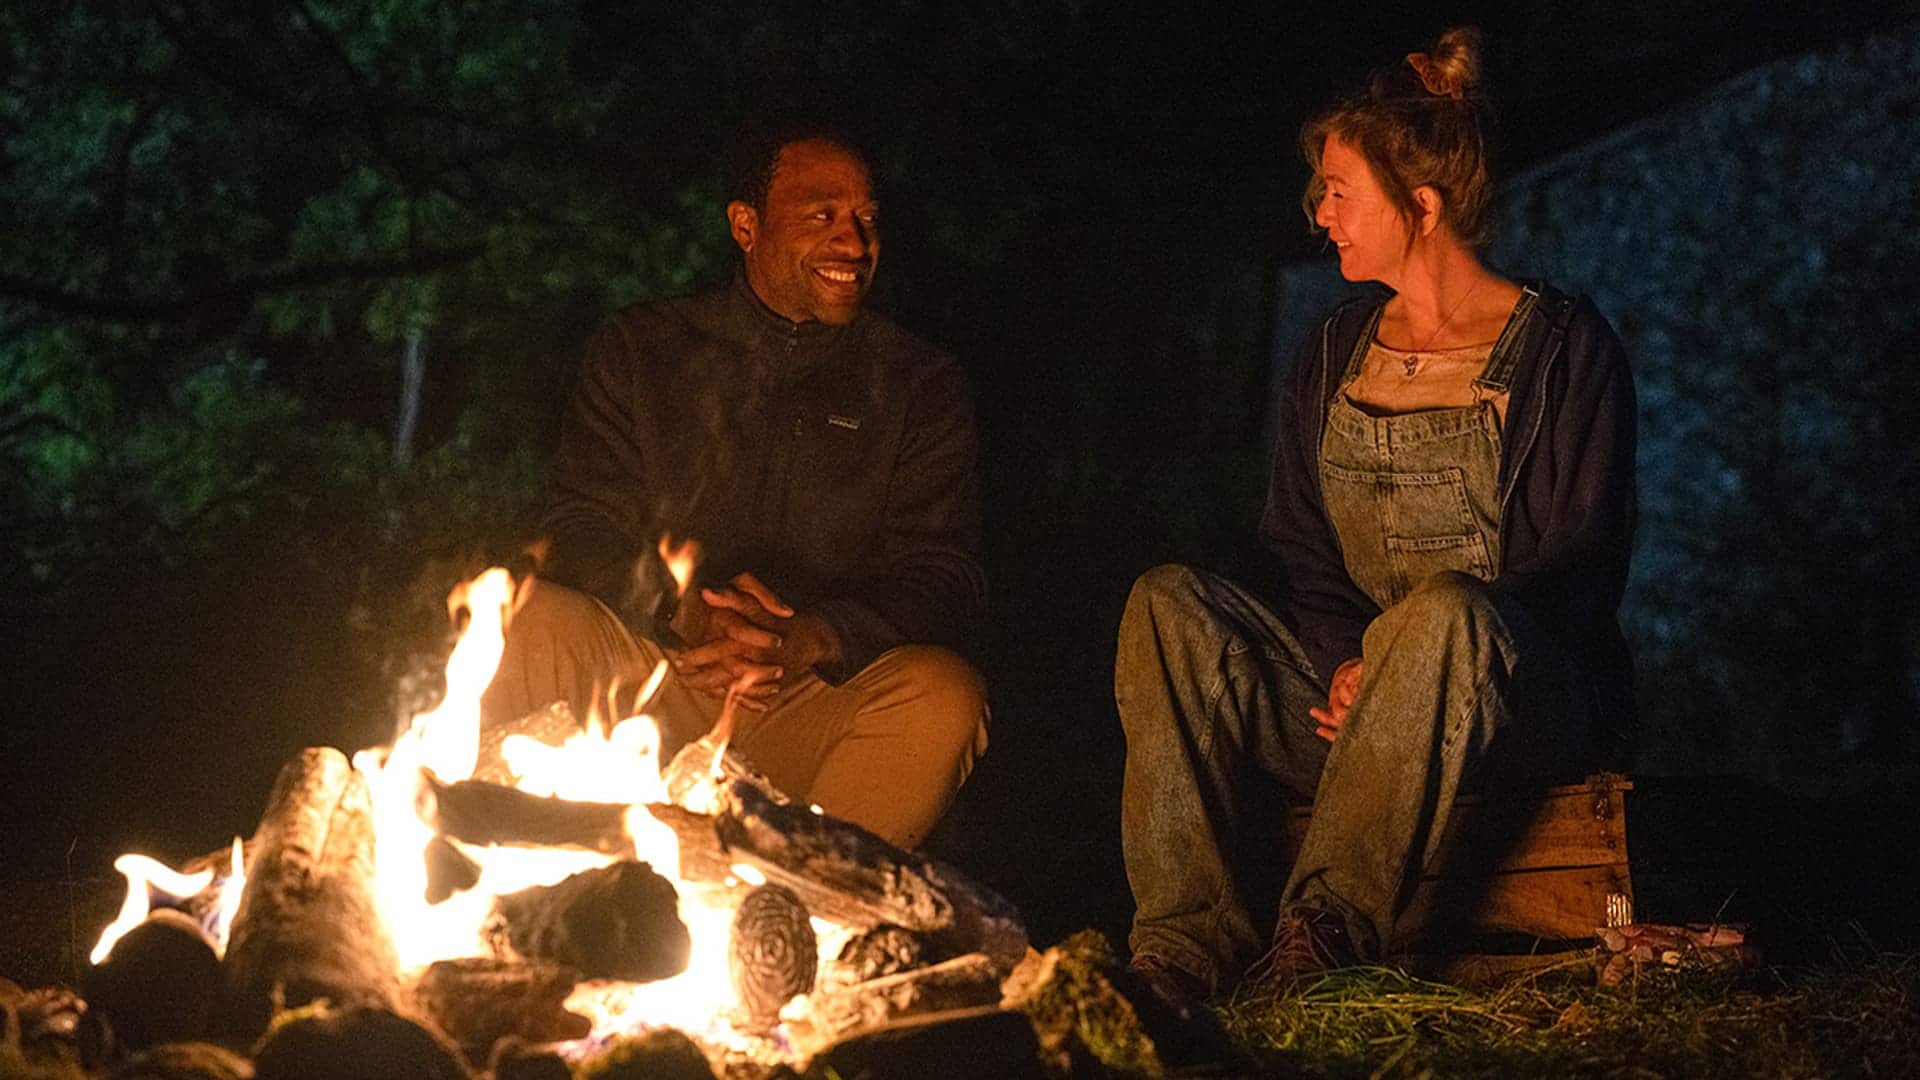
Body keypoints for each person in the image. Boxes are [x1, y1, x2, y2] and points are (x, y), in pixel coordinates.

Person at [1116, 27, 1636, 1000]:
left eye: (1340, 193)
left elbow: (1580, 564)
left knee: (1446, 609)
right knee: (1167, 605)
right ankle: (1184, 948)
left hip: (1517, 708)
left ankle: (1324, 934)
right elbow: (1301, 552)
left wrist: (1408, 660)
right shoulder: (1332, 354)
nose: (1321, 216)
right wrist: (1348, 662)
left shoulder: (1565, 350)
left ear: (1421, 206)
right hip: (1351, 703)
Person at [480, 113, 989, 851]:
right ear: (745, 225)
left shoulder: (918, 382)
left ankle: (808, 913)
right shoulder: (643, 349)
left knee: (945, 697)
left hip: (811, 695)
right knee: (521, 615)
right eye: (824, 216)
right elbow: (580, 527)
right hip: (657, 672)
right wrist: (683, 611)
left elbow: (947, 576)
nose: (855, 243)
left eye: (867, 220)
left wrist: (814, 635)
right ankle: (531, 875)